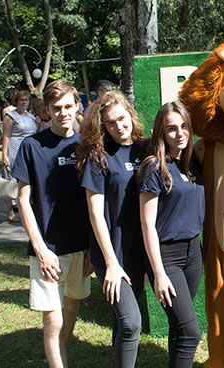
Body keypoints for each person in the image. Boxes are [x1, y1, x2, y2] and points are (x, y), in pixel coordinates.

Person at [12, 80, 92, 368]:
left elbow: (94, 201)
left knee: (71, 309)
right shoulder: (31, 146)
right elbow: (24, 201)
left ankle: (60, 359)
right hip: (48, 249)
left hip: (81, 247)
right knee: (54, 318)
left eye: (68, 106)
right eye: (56, 108)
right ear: (46, 110)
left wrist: (93, 248)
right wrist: (40, 249)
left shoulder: (85, 145)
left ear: (77, 106)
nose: (63, 113)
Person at [78, 90, 147, 367]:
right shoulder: (99, 157)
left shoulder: (146, 149)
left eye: (122, 118)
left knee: (122, 321)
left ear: (131, 115)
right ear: (103, 126)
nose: (119, 126)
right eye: (110, 123)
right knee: (131, 322)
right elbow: (95, 213)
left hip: (138, 251)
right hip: (112, 253)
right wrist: (110, 263)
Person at [138, 101, 204, 368]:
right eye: (172, 128)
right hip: (167, 257)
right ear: (161, 133)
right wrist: (159, 273)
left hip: (193, 252)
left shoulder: (193, 162)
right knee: (190, 333)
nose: (180, 133)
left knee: (179, 327)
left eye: (184, 126)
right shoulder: (154, 167)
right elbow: (147, 225)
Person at [2, 90, 36, 222]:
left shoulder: (31, 116)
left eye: (26, 100)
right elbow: (6, 136)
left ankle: (26, 209)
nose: (24, 102)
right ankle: (10, 211)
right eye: (21, 100)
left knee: (28, 180)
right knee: (11, 181)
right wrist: (4, 155)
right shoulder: (10, 116)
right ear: (16, 102)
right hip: (14, 148)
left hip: (29, 149)